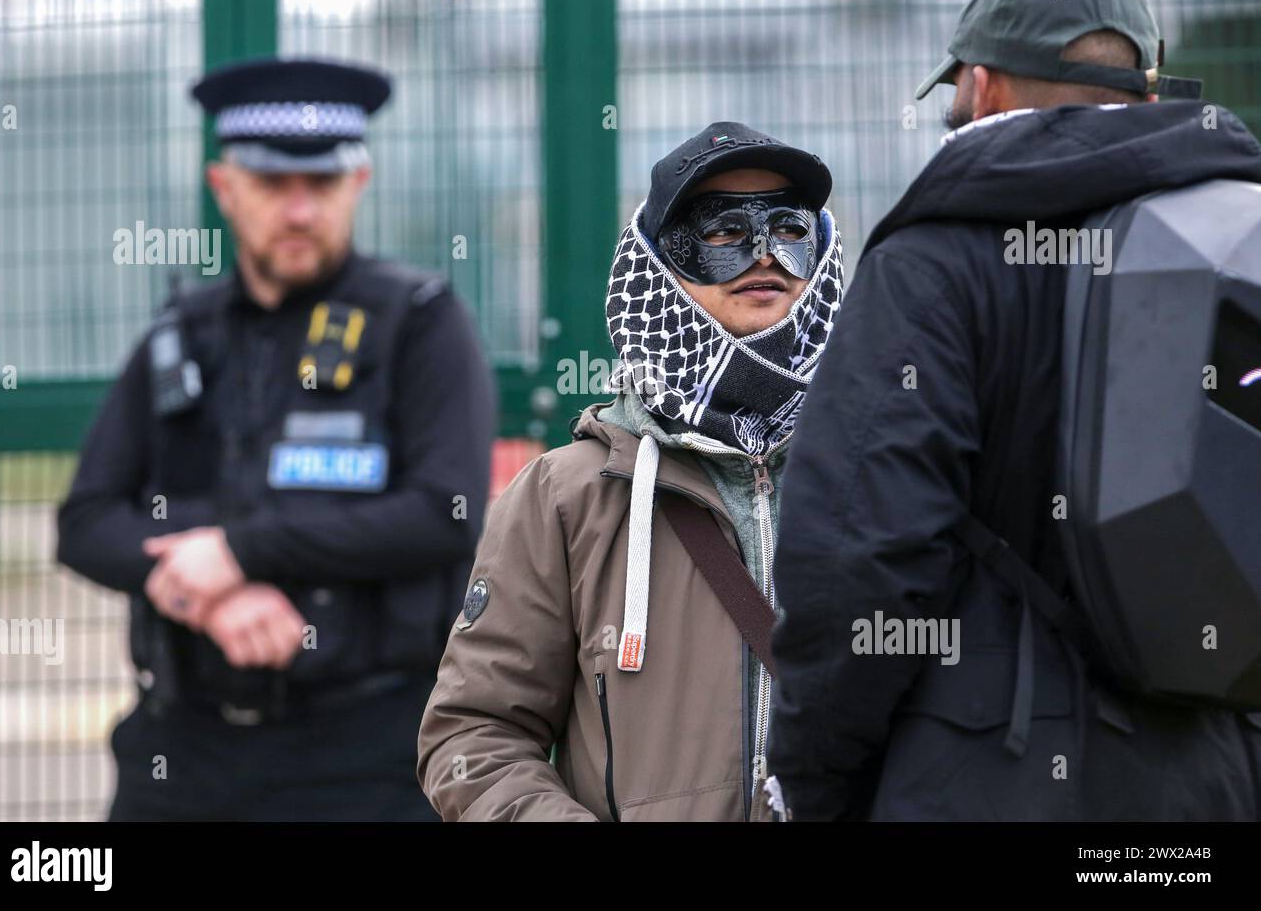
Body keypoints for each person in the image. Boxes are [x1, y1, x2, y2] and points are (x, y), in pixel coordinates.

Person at [768, 0, 1261, 820]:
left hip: (986, 775)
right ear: (1146, 96)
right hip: (1207, 777)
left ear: (984, 88)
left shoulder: (932, 261)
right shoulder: (1242, 242)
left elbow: (858, 562)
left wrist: (814, 781)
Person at [57, 57, 496, 821]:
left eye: (321, 186)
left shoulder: (419, 324)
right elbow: (87, 519)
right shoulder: (178, 338)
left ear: (357, 185)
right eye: (272, 186)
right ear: (224, 188)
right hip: (184, 749)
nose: (299, 211)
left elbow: (444, 510)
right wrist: (210, 596)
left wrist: (238, 553)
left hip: (369, 754)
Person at [417, 122, 844, 820]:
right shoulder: (566, 497)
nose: (765, 252)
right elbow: (474, 735)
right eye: (721, 230)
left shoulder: (888, 473)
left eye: (791, 226)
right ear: (657, 270)